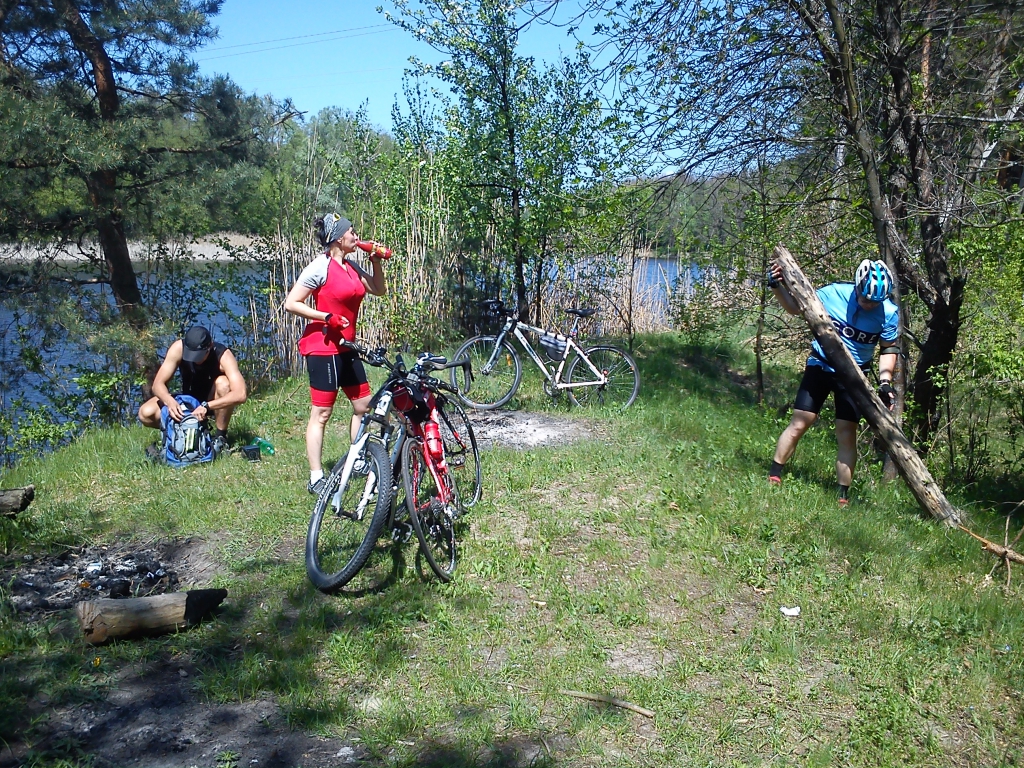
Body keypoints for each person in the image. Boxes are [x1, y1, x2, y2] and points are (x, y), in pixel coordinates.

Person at [766, 258, 900, 506]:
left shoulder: (889, 313)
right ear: (857, 286)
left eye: (875, 301)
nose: (869, 304)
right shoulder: (833, 293)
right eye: (865, 298)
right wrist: (776, 286)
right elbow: (796, 308)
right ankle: (774, 474)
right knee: (801, 420)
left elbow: (888, 348)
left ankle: (842, 497)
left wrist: (885, 382)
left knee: (846, 432)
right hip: (821, 364)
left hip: (854, 375)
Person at [284, 213, 387, 495]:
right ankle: (316, 477)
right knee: (322, 413)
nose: (356, 236)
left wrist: (376, 262)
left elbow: (378, 289)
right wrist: (325, 316)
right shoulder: (320, 266)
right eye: (351, 232)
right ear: (339, 238)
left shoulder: (351, 266)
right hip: (322, 347)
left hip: (347, 347)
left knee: (363, 406)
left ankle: (357, 460)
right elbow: (291, 303)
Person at [138, 325, 248, 455]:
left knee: (223, 384)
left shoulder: (223, 355)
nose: (196, 360)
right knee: (145, 413)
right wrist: (169, 401)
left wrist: (206, 406)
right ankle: (178, 431)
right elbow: (157, 385)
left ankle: (220, 438)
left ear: (210, 346)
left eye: (199, 355)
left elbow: (240, 394)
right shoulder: (178, 348)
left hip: (211, 401)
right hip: (188, 400)